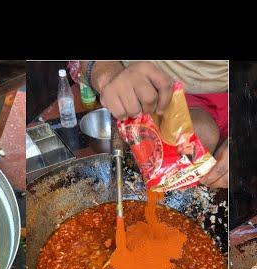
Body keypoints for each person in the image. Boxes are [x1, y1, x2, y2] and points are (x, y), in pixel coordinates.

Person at [74, 61, 229, 188]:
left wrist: (250, 135)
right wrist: (109, 76)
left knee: (204, 132)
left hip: (230, 96)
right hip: (133, 89)